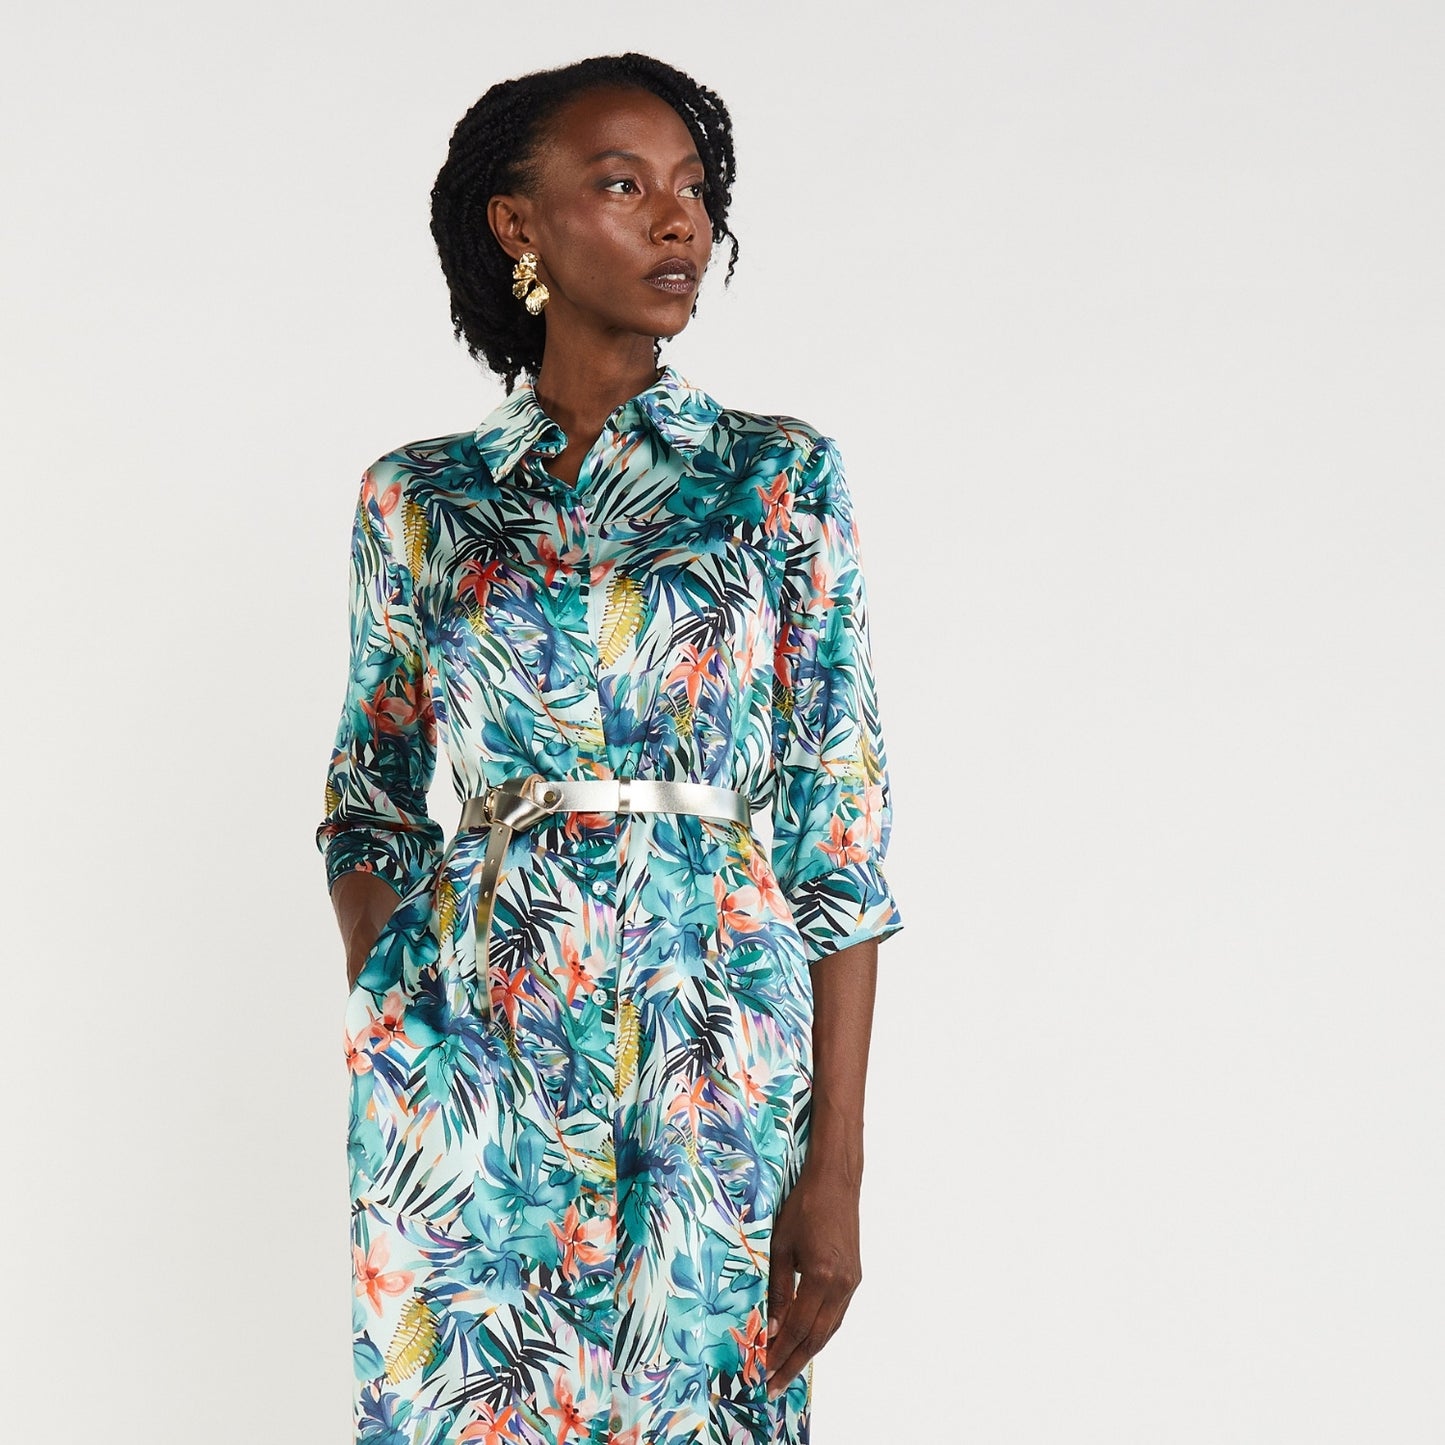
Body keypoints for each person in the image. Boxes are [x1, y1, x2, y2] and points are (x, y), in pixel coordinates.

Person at [315, 52, 904, 1445]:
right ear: (519, 224)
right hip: (470, 1065)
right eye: (625, 185)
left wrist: (835, 1165)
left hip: (712, 1054)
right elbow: (368, 790)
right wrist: (397, 995)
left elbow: (837, 830)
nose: (678, 220)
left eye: (692, 189)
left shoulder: (775, 476)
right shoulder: (420, 498)